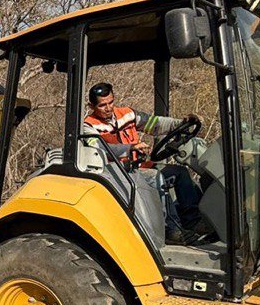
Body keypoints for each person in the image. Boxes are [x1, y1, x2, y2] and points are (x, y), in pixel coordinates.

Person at [83, 81, 205, 243]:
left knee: (179, 173)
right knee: (156, 177)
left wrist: (180, 122)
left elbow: (155, 124)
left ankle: (192, 221)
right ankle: (171, 229)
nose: (108, 108)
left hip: (138, 168)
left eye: (111, 102)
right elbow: (100, 148)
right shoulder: (88, 126)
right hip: (117, 174)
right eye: (102, 105)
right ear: (92, 106)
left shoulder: (127, 114)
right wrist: (130, 148)